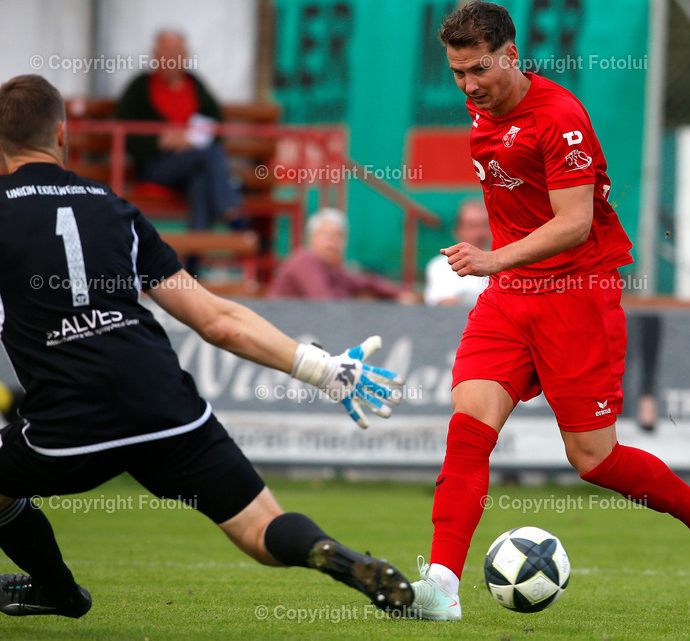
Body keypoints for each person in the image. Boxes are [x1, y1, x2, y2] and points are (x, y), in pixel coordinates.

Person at [0, 75, 412, 619]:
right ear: (61, 133)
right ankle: (324, 551)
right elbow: (218, 321)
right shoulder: (113, 207)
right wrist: (319, 368)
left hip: (71, 422)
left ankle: (57, 590)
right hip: (164, 404)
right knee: (260, 527)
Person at [408, 2, 690, 620]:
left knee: (593, 458)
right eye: (458, 73)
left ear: (511, 55)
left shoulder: (560, 119)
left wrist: (492, 258)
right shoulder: (481, 105)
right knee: (469, 427)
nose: (468, 86)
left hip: (576, 294)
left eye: (478, 70)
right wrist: (503, 269)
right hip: (511, 297)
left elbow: (574, 224)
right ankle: (441, 584)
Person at [115, 30, 241, 232]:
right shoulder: (140, 87)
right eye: (167, 51)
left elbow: (217, 126)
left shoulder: (195, 84)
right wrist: (160, 141)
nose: (172, 58)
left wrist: (190, 139)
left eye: (177, 52)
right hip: (156, 166)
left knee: (200, 182)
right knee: (209, 156)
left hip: (191, 165)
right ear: (155, 54)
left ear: (186, 55)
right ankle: (231, 212)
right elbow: (123, 132)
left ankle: (194, 256)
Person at [267, 208, 416, 302]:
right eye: (326, 235)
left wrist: (400, 293)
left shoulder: (333, 269)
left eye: (338, 236)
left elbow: (366, 282)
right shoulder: (305, 259)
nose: (332, 242)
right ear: (311, 238)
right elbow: (325, 302)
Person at [423, 199, 490, 307]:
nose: (478, 233)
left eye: (483, 226)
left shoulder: (504, 264)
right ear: (458, 230)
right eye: (471, 226)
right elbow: (445, 304)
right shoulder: (439, 266)